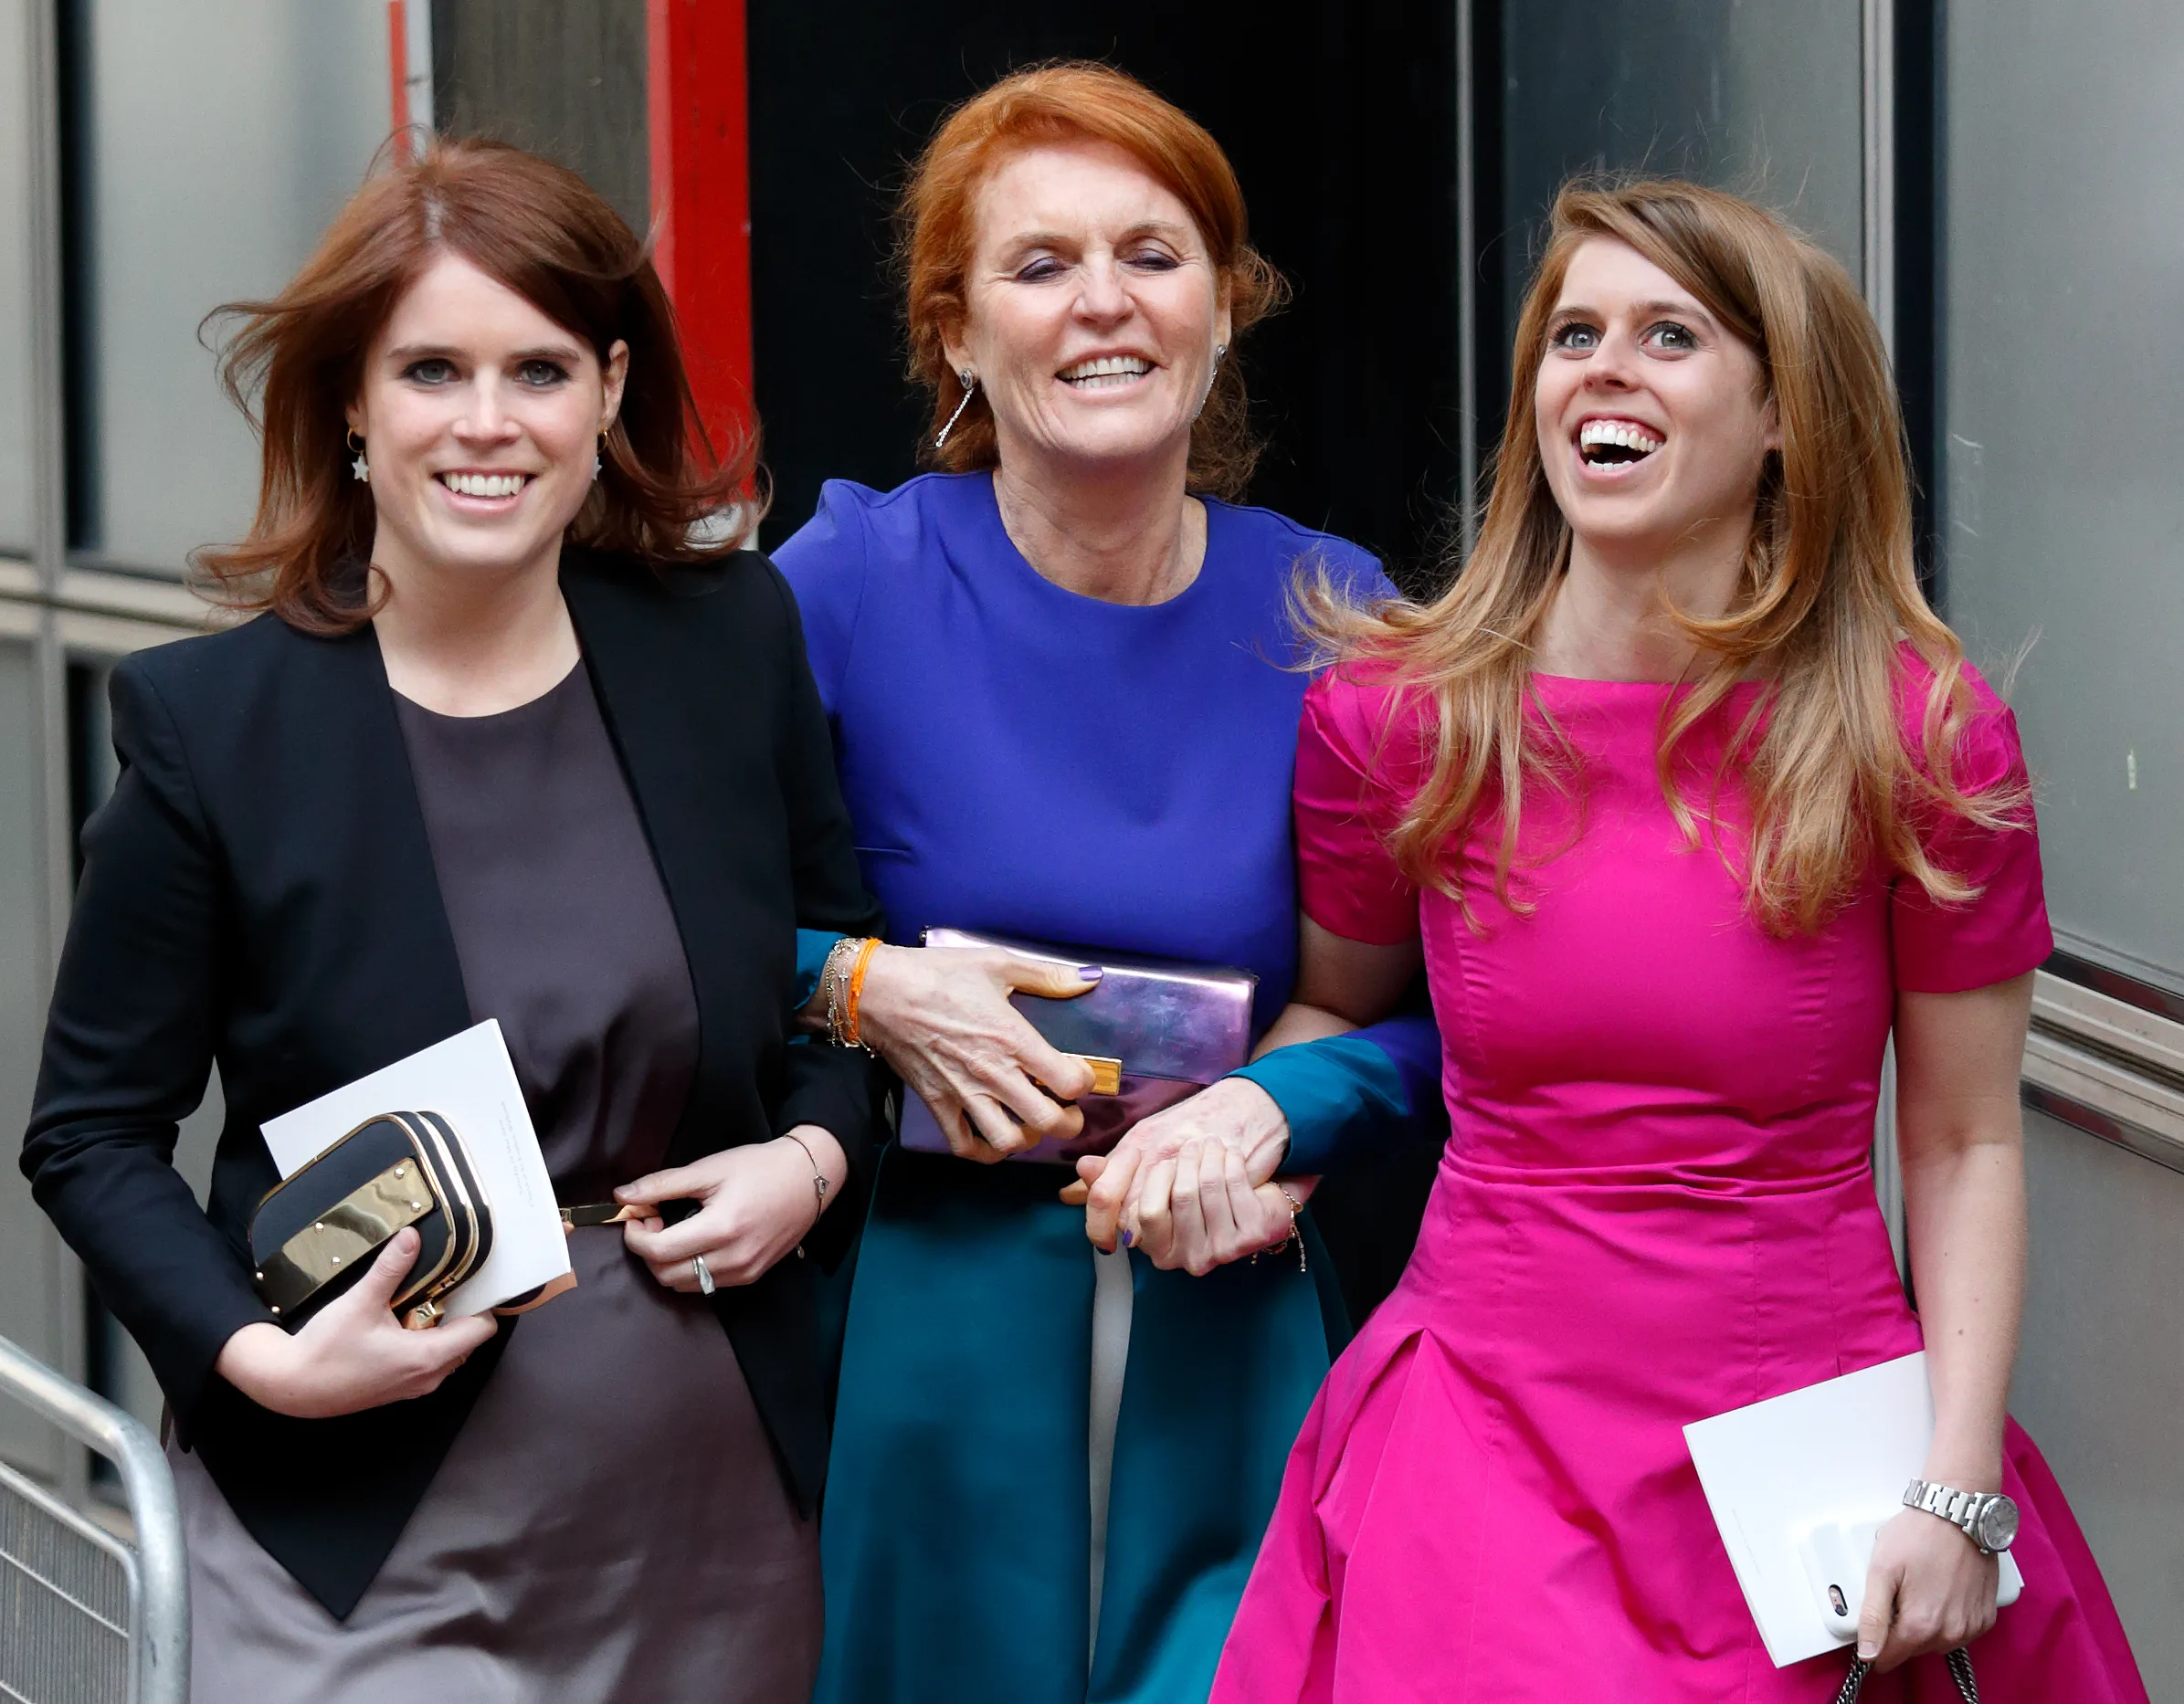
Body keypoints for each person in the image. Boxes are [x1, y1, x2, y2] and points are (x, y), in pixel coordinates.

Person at [1204, 179, 2149, 1699]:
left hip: (1806, 1462)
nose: (1602, 366)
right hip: (1479, 1437)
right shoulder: (1401, 719)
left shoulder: (1913, 734)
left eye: (1667, 334)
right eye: (1572, 333)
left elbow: (1966, 1141)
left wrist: (1953, 1483)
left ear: (1782, 415)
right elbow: (1339, 1017)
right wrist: (1240, 1136)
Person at [19, 138, 881, 1703]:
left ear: (609, 390)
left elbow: (835, 980)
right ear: (353, 399)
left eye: (538, 367)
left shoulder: (727, 644)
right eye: (431, 369)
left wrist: (810, 1161)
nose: (487, 423)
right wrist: (258, 1358)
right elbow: (89, 1132)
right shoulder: (217, 724)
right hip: (355, 1516)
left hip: (706, 1507)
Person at [774, 63, 1441, 1704]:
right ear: (956, 334)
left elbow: (1443, 1016)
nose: (1103, 306)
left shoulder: (1339, 618)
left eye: (1152, 255)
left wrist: (1276, 1111)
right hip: (921, 1334)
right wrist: (860, 982)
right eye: (1039, 264)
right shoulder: (846, 583)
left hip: (1230, 1301)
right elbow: (657, 908)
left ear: (1223, 308)